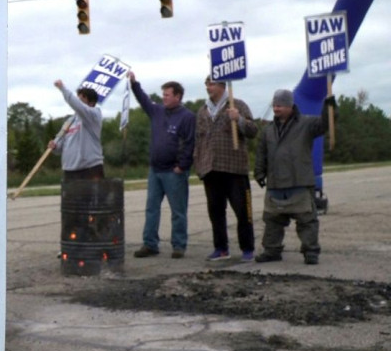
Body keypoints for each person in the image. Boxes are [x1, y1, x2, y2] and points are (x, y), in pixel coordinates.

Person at [254, 89, 336, 265]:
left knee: (307, 221)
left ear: (290, 105)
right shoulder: (268, 130)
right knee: (272, 222)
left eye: (280, 105)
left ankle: (310, 252)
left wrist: (329, 108)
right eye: (274, 105)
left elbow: (325, 124)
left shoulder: (306, 123)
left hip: (299, 182)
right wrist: (259, 172)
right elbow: (261, 153)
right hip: (275, 185)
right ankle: (272, 250)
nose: (276, 109)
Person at [129, 71, 195, 259]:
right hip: (155, 170)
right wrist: (134, 83)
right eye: (163, 94)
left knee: (178, 211)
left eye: (167, 95)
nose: (164, 98)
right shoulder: (157, 111)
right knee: (151, 208)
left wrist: (182, 166)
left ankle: (179, 245)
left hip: (174, 172)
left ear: (177, 96)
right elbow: (144, 100)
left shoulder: (187, 116)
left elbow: (190, 142)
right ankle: (150, 244)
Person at [194, 77, 258, 262]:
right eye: (206, 84)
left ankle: (247, 248)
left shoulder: (238, 105)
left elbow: (253, 131)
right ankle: (221, 248)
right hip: (210, 168)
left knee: (243, 211)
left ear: (223, 86)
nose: (208, 87)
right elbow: (199, 139)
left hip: (234, 168)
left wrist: (238, 119)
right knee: (215, 212)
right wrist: (198, 162)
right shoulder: (203, 110)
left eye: (211, 84)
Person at [47, 80, 104, 181]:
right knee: (72, 198)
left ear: (91, 103)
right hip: (70, 171)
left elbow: (79, 106)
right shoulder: (69, 121)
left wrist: (63, 88)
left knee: (93, 197)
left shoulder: (94, 114)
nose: (78, 100)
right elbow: (60, 144)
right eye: (78, 98)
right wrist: (54, 146)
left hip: (90, 169)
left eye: (82, 98)